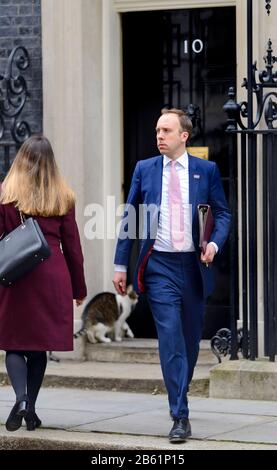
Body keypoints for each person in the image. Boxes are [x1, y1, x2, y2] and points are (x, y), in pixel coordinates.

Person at [113, 108, 231, 443]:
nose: (159, 136)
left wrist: (215, 245)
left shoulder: (205, 170)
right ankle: (179, 414)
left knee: (191, 341)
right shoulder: (145, 169)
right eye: (156, 131)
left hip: (194, 266)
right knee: (170, 339)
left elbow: (222, 213)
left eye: (166, 131)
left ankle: (180, 392)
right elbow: (131, 218)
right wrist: (121, 264)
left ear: (184, 135)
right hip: (159, 265)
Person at [0, 135, 87, 432]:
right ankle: (32, 410)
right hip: (52, 275)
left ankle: (22, 400)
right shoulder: (63, 197)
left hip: (16, 275)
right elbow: (73, 248)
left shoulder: (6, 195)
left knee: (13, 344)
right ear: (51, 163)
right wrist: (79, 289)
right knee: (38, 349)